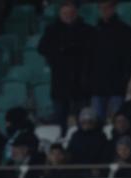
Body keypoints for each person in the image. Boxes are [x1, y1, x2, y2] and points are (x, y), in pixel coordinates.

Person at [38, 1, 93, 131]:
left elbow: (92, 52)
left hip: (81, 82)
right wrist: (60, 51)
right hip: (60, 82)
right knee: (59, 119)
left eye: (71, 13)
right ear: (60, 14)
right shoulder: (52, 30)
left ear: (76, 13)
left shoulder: (86, 30)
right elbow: (42, 48)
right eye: (65, 13)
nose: (68, 16)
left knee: (83, 119)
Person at [88, 0, 131, 123]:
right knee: (97, 121)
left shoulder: (124, 31)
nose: (104, 11)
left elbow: (129, 58)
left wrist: (125, 78)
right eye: (101, 8)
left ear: (113, 8)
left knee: (118, 120)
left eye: (107, 8)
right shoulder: (93, 32)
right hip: (97, 84)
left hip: (117, 84)